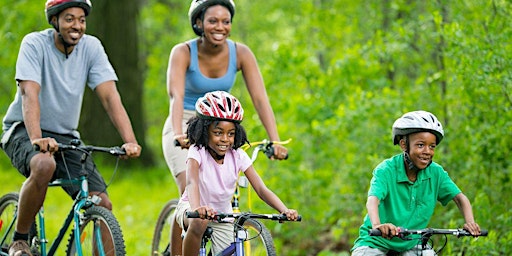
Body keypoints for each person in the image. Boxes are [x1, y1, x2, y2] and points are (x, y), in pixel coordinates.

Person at [0, 0, 141, 255]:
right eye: (69, 19)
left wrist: (130, 140)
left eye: (81, 19)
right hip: (24, 129)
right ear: (54, 21)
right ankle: (20, 239)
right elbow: (29, 94)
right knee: (44, 164)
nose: (77, 25)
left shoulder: (92, 47)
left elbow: (110, 97)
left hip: (65, 135)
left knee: (102, 203)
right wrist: (37, 138)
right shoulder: (34, 44)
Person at [162, 0, 289, 254]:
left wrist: (275, 141)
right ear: (198, 23)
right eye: (212, 21)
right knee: (190, 185)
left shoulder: (241, 53)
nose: (220, 27)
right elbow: (175, 96)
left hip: (223, 121)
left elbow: (260, 99)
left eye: (226, 21)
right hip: (188, 122)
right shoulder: (183, 52)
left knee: (223, 198)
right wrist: (179, 132)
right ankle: (180, 247)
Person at [173, 91, 298, 255]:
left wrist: (284, 210)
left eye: (230, 133)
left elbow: (261, 189)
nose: (225, 139)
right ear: (204, 131)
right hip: (192, 208)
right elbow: (192, 183)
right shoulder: (197, 151)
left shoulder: (238, 155)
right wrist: (197, 208)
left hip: (222, 216)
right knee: (199, 222)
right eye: (218, 133)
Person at [351, 110, 481, 256]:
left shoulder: (435, 173)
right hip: (375, 241)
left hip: (411, 243)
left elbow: (460, 198)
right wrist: (378, 225)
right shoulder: (386, 170)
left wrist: (470, 222)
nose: (427, 151)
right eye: (420, 145)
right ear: (403, 145)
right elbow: (373, 200)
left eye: (432, 146)